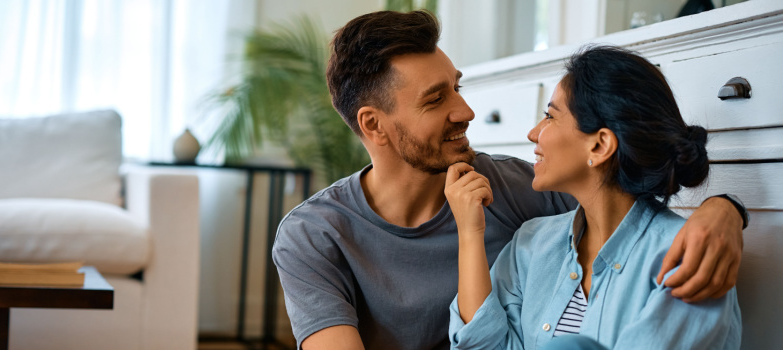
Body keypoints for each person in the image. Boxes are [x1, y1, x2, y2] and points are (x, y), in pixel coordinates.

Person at [272, 10, 746, 350]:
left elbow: (629, 202)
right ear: (373, 125)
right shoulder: (313, 234)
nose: (466, 111)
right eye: (436, 99)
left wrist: (724, 210)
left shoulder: (512, 187)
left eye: (458, 87)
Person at [446, 45, 741, 349]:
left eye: (550, 116)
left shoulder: (689, 255)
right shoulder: (531, 244)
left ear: (599, 146)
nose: (533, 133)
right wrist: (470, 233)